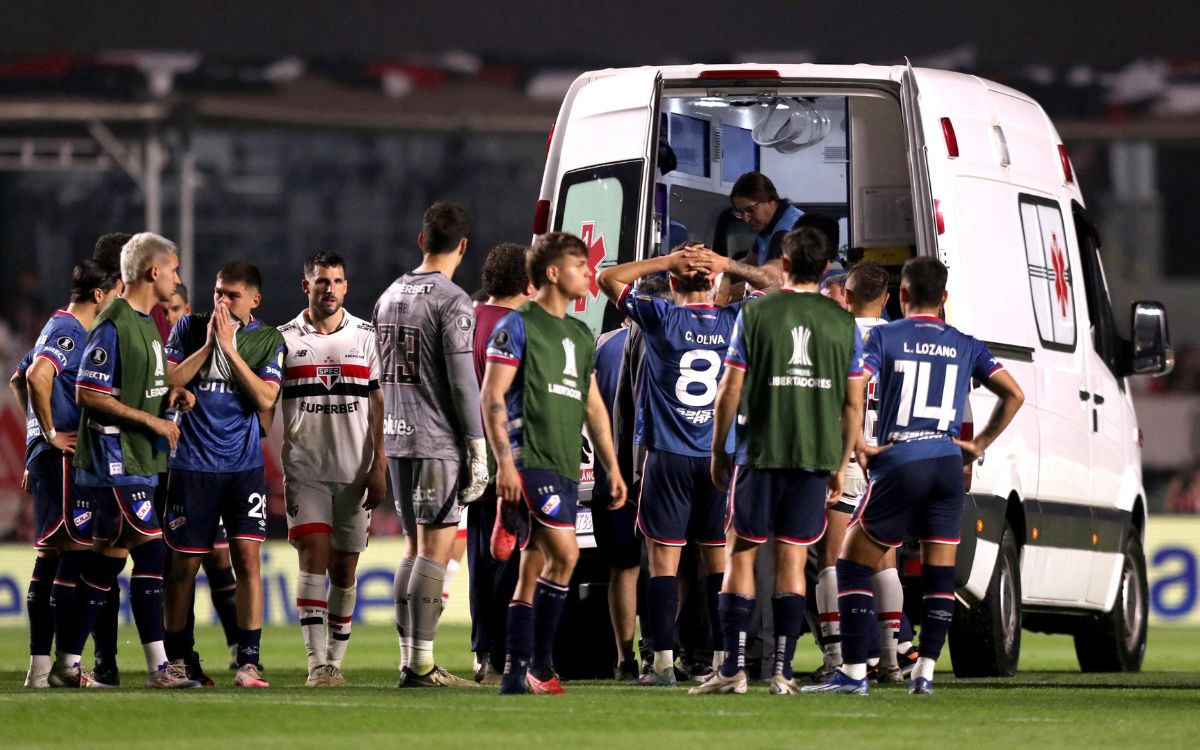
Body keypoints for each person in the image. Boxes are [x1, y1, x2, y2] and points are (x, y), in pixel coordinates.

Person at [804, 256, 1024, 696]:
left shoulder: (884, 336)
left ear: (901, 295)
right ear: (943, 299)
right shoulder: (965, 343)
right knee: (939, 573)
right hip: (946, 462)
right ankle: (923, 669)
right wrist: (979, 444)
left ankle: (852, 672)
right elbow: (1014, 394)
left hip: (901, 458)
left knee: (849, 563)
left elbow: (855, 390)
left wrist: (857, 447)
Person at [597, 245, 779, 687]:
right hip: (719, 458)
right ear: (715, 285)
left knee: (663, 563)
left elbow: (607, 278)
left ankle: (660, 664)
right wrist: (728, 265)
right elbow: (775, 285)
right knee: (720, 563)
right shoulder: (738, 319)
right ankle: (722, 661)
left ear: (674, 283)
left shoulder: (659, 316)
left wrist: (666, 262)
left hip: (668, 457)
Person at [695, 226, 864, 696]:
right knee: (793, 558)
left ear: (784, 266)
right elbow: (854, 405)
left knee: (742, 552)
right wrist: (838, 461)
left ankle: (733, 670)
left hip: (760, 452)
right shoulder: (842, 323)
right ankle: (784, 674)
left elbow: (729, 390)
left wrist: (717, 449)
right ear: (826, 267)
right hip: (813, 457)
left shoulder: (755, 313)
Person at [482, 231, 627, 695]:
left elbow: (594, 407)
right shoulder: (518, 324)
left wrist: (613, 466)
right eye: (579, 266)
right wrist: (504, 465)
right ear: (551, 273)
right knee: (566, 554)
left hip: (565, 461)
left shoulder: (580, 334)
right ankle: (539, 668)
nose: (589, 273)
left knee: (533, 567)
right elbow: (491, 398)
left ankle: (513, 673)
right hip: (531, 458)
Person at [61, 232, 200, 689]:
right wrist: (154, 422)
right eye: (174, 269)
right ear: (152, 271)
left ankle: (65, 664)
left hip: (141, 458)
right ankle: (161, 669)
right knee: (152, 550)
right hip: (113, 457)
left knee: (106, 563)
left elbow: (147, 386)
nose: (178, 278)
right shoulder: (114, 321)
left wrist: (173, 396)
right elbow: (88, 392)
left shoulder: (148, 323)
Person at [373, 202, 488, 688]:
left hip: (398, 437)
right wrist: (478, 447)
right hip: (437, 439)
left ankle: (410, 659)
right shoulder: (454, 301)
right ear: (463, 246)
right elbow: (463, 384)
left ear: (422, 240)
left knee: (413, 548)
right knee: (435, 551)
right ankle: (421, 665)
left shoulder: (386, 296)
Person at [161, 261, 285, 688]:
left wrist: (230, 351)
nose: (222, 301)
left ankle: (248, 660)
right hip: (191, 466)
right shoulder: (188, 329)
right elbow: (168, 380)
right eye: (217, 292)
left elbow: (267, 397)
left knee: (247, 561)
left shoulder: (268, 340)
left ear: (254, 300)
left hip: (243, 468)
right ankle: (178, 659)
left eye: (231, 294)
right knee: (184, 567)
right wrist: (211, 344)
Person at [8, 260, 122, 688]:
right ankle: (65, 668)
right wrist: (51, 434)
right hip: (61, 458)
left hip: (45, 457)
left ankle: (40, 670)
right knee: (73, 555)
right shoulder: (71, 331)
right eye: (113, 294)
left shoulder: (52, 325)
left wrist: (34, 439)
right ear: (99, 295)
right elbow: (37, 376)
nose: (115, 302)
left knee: (50, 556)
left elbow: (18, 380)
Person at [278, 251, 386, 687]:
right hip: (306, 471)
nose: (330, 288)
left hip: (356, 472)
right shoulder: (283, 339)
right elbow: (267, 402)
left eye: (338, 281)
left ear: (346, 286)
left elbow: (379, 403)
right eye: (322, 281)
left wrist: (380, 463)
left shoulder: (367, 336)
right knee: (313, 559)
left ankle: (335, 661)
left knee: (344, 571)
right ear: (307, 286)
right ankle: (316, 663)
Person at [811, 260, 907, 682]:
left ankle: (837, 657)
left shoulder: (832, 337)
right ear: (886, 299)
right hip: (890, 460)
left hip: (846, 455)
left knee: (831, 558)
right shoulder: (901, 339)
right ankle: (889, 659)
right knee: (884, 559)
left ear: (844, 297)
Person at [468, 242, 530, 683]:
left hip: (470, 458)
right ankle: (504, 653)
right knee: (511, 559)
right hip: (507, 456)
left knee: (480, 559)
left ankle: (482, 651)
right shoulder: (517, 326)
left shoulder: (465, 320)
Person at [729, 172, 804, 267]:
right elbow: (750, 262)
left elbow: (771, 278)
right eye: (740, 212)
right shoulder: (767, 225)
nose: (746, 219)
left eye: (750, 210)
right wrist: (721, 270)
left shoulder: (786, 232)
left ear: (771, 200)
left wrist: (727, 266)